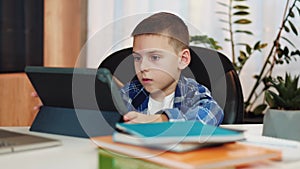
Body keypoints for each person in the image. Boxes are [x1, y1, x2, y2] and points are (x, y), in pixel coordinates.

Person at [120, 12, 224, 126]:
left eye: (155, 57)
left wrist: (161, 120)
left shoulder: (191, 91)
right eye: (137, 58)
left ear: (182, 59)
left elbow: (212, 113)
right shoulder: (128, 93)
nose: (142, 67)